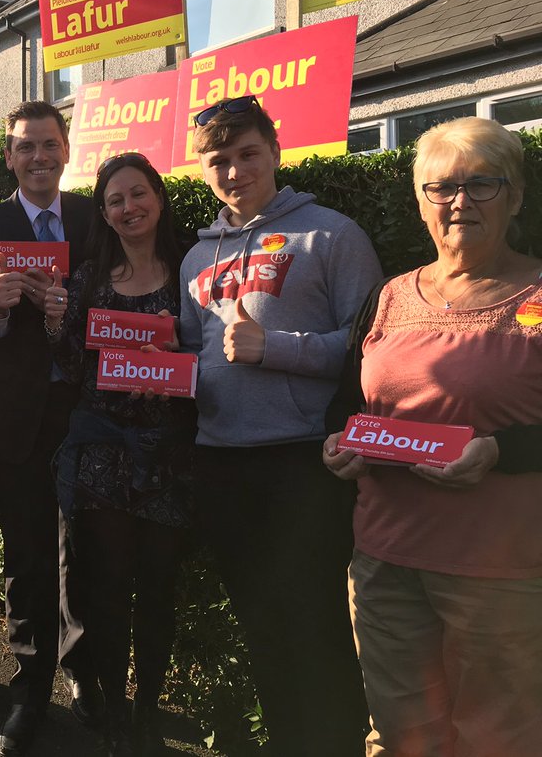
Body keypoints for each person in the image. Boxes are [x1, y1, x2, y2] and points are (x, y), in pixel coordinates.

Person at [323, 116, 542, 757]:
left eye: (482, 185)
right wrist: (337, 444)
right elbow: (347, 402)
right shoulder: (389, 297)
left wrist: (502, 451)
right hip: (385, 559)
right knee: (402, 735)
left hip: (500, 568)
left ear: (516, 197)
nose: (459, 203)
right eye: (440, 188)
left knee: (501, 734)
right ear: (420, 203)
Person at [178, 96, 380, 757]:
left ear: (274, 151)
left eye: (246, 155)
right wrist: (160, 368)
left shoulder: (331, 234)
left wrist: (278, 348)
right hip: (221, 464)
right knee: (260, 624)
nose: (234, 172)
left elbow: (370, 352)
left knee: (316, 623)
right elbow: (196, 356)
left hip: (302, 463)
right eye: (219, 161)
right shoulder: (193, 258)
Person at [49, 154, 196, 756]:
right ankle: (113, 713)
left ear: (158, 199)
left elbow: (213, 359)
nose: (128, 208)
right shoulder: (88, 278)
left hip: (168, 458)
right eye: (115, 200)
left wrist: (171, 366)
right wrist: (57, 325)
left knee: (158, 591)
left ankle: (149, 714)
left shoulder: (193, 272)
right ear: (105, 214)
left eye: (138, 194)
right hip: (104, 454)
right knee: (106, 591)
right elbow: (68, 367)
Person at [0, 101, 94, 756]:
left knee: (84, 555)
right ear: (10, 157)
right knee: (26, 560)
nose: (39, 157)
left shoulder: (92, 218)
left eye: (49, 145)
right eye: (26, 147)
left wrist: (67, 316)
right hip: (16, 421)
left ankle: (82, 675)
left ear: (66, 148)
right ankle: (28, 687)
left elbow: (117, 303)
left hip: (86, 416)